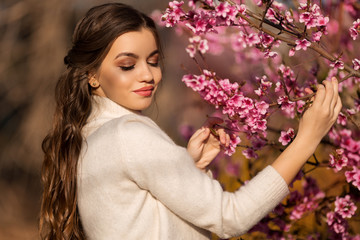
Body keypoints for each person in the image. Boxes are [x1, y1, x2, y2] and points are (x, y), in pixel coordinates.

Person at [39, 2, 342, 240]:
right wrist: (307, 139)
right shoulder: (127, 134)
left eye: (154, 61)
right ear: (92, 75)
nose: (148, 75)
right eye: (128, 65)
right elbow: (230, 217)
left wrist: (187, 166)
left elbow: (139, 218)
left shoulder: (93, 136)